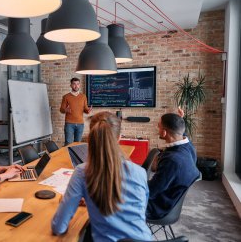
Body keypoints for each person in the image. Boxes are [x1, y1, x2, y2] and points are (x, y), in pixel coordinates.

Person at [52, 111, 152, 241]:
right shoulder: (140, 172)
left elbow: (59, 227)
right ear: (119, 138)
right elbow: (139, 210)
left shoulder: (82, 172)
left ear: (90, 138)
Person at [147, 109, 200, 220]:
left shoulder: (172, 161)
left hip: (156, 207)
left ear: (164, 132)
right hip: (169, 199)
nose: (158, 128)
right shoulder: (189, 147)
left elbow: (151, 192)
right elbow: (181, 133)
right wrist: (179, 119)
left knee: (109, 198)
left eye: (159, 126)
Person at [60, 77, 92, 146]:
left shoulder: (83, 96)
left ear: (79, 85)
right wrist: (66, 110)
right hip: (69, 124)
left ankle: (75, 157)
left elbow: (85, 109)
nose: (76, 86)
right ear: (71, 85)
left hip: (80, 124)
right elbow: (61, 110)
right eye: (74, 84)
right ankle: (67, 156)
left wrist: (88, 110)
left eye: (77, 84)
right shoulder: (66, 97)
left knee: (78, 144)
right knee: (68, 143)